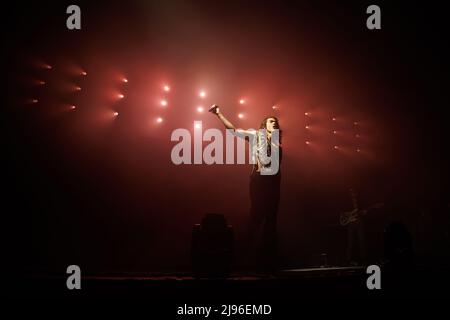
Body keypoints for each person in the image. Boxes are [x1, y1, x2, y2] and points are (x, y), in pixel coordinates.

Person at [209, 105, 282, 273]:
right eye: (271, 121)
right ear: (264, 124)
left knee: (271, 222)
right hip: (259, 180)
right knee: (256, 218)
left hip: (274, 184)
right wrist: (219, 114)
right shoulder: (256, 135)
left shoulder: (278, 142)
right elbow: (233, 130)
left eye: (276, 121)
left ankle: (266, 263)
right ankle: (239, 257)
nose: (275, 123)